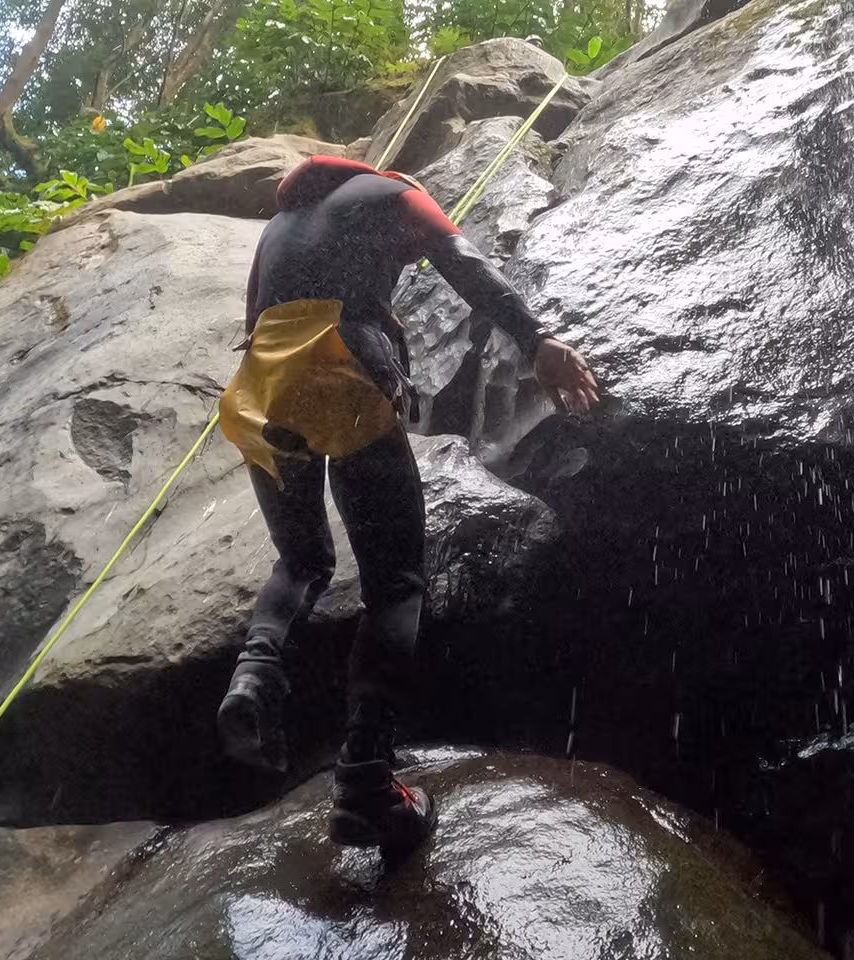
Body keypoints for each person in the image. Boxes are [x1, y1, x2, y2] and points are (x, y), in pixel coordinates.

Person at [214, 154, 599, 851]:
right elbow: (463, 262)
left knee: (301, 561)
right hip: (340, 365)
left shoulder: (279, 228)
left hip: (261, 387)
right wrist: (538, 340)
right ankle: (366, 785)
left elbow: (258, 322)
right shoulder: (396, 192)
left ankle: (255, 675)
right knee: (395, 584)